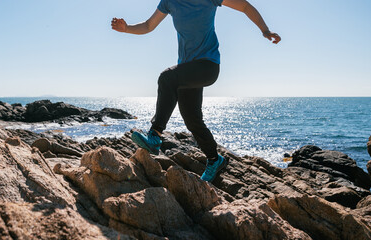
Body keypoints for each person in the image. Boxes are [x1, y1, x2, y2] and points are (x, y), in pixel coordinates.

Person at [111, 0, 280, 182]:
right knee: (192, 120)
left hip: (208, 66)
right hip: (187, 70)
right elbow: (148, 25)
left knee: (166, 78)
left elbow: (245, 7)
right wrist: (126, 28)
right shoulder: (170, 1)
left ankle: (155, 135)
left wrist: (265, 30)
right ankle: (215, 160)